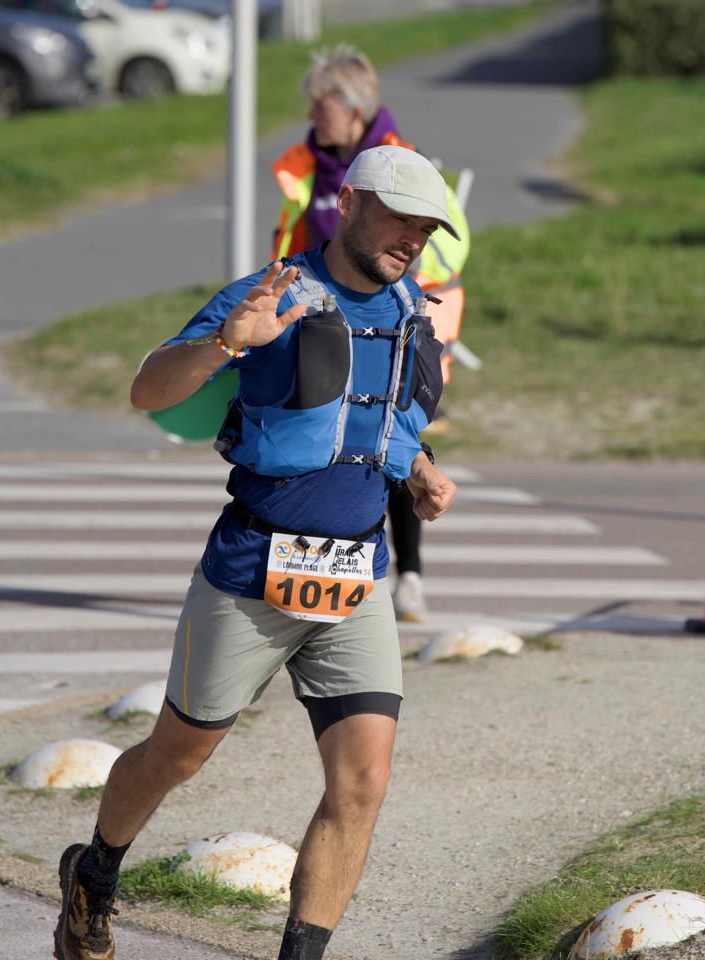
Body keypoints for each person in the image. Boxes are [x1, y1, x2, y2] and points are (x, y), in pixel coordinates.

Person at [54, 145, 459, 960]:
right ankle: (94, 872)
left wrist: (418, 470)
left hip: (355, 578)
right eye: (398, 220)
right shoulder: (272, 293)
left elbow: (384, 424)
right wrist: (226, 344)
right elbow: (148, 391)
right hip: (251, 571)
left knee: (363, 780)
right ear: (348, 204)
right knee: (176, 755)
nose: (411, 240)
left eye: (424, 229)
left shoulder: (410, 310)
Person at [270, 44, 471, 624]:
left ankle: (408, 576)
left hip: (391, 329)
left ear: (353, 110)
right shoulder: (305, 166)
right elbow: (291, 242)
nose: (311, 116)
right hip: (319, 326)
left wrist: (398, 301)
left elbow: (446, 251)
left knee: (394, 444)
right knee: (321, 440)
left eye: (321, 106)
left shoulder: (406, 163)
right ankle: (320, 572)